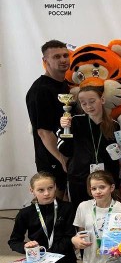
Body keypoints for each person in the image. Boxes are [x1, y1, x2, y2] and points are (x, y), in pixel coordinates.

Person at [9, 172, 79, 263]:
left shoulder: (67, 208)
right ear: (32, 191)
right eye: (41, 190)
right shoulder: (25, 213)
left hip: (63, 256)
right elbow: (14, 241)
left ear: (55, 187)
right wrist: (25, 246)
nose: (47, 193)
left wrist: (51, 252)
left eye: (50, 188)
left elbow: (69, 237)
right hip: (38, 258)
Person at [58, 86, 120, 210]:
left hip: (105, 180)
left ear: (102, 100)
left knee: (105, 213)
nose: (88, 106)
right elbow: (65, 150)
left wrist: (116, 181)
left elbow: (117, 157)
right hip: (79, 178)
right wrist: (64, 130)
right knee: (80, 213)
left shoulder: (114, 125)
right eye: (84, 103)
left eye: (92, 101)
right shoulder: (74, 122)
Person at [26, 40, 70, 198]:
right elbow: (43, 132)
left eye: (65, 55)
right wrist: (61, 158)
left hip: (68, 154)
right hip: (51, 158)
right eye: (56, 56)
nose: (63, 59)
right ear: (45, 61)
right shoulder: (40, 90)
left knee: (66, 204)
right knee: (53, 203)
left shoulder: (64, 84)